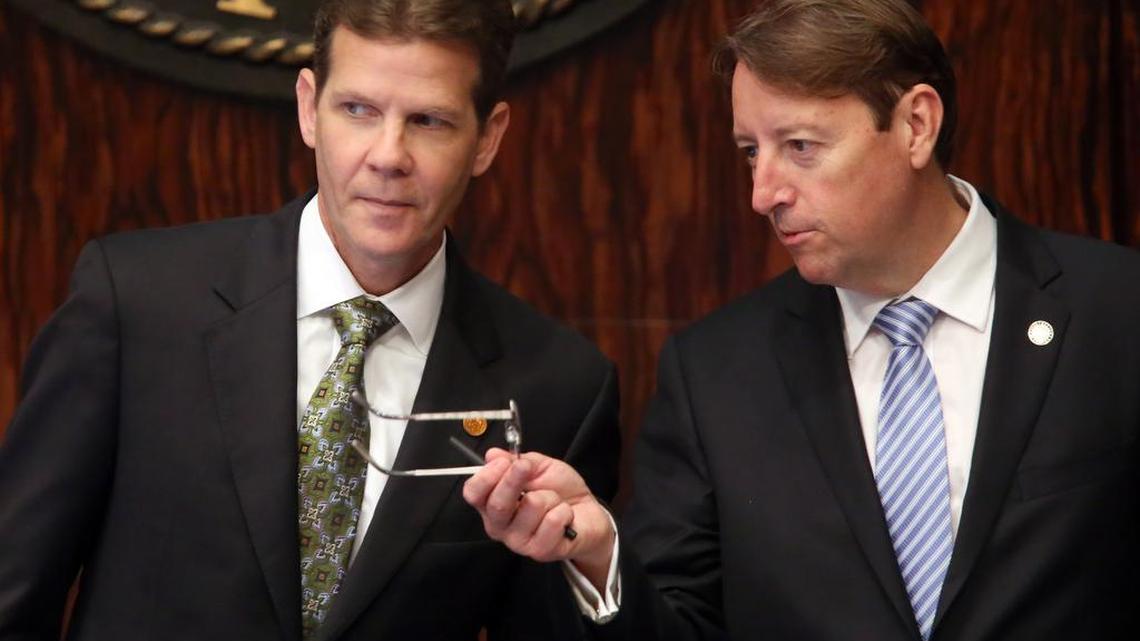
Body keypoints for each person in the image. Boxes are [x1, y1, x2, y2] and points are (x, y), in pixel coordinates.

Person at [463, 0, 1140, 639]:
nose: (763, 194)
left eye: (802, 147)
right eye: (751, 151)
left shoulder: (1117, 311)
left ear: (916, 125)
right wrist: (602, 553)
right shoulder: (717, 374)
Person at [0, 1, 619, 639]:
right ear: (308, 107)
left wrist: (594, 564)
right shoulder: (135, 303)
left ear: (487, 138)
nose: (388, 155)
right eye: (358, 110)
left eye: (429, 121)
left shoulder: (557, 385)